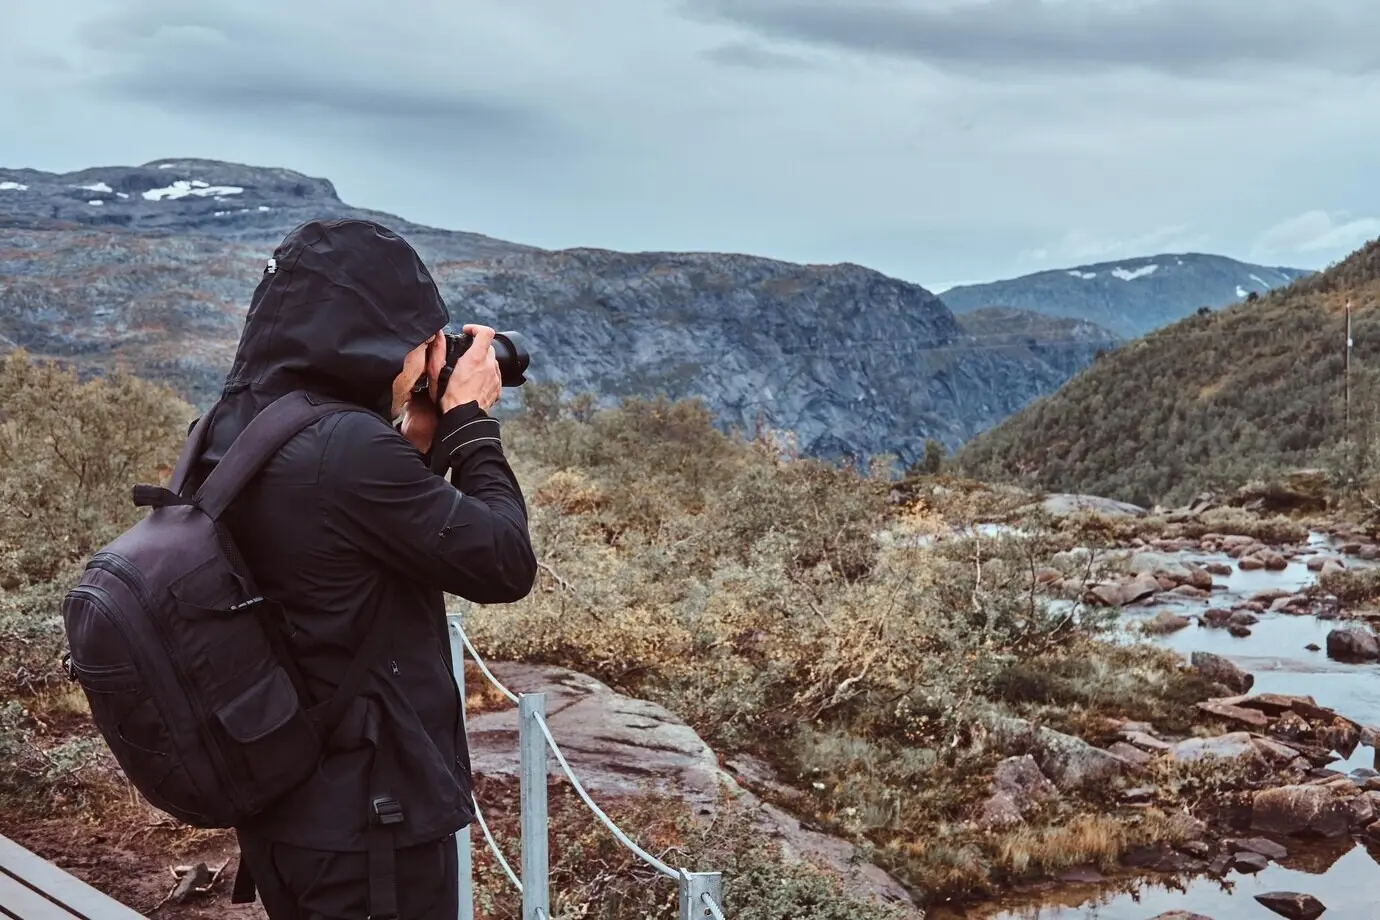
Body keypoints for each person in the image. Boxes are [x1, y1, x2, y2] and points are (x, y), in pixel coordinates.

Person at [183, 217, 538, 919]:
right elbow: (505, 561)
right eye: (420, 335)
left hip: (289, 809)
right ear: (368, 332)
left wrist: (416, 440)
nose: (428, 353)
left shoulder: (235, 426)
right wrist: (470, 424)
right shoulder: (344, 448)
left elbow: (340, 547)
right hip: (371, 826)